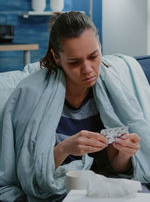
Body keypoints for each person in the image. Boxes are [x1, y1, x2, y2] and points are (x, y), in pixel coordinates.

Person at [0, 11, 150, 202]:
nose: (88, 69)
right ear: (56, 57)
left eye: (93, 56)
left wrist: (125, 154)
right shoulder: (31, 94)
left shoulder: (113, 91)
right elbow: (29, 178)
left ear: (100, 46)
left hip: (104, 188)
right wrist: (64, 149)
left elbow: (117, 169)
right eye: (75, 62)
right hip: (58, 191)